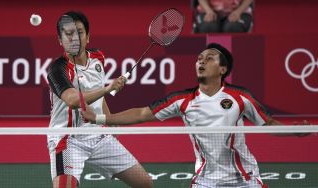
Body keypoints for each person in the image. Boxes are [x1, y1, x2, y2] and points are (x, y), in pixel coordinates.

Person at [81, 43, 310, 188]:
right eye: (199, 57)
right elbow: (142, 114)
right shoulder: (183, 100)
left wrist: (296, 131)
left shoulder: (240, 97)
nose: (201, 60)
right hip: (205, 182)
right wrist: (100, 119)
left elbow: (267, 122)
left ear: (223, 70)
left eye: (209, 58)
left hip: (245, 180)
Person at [47, 11, 153, 188]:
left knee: (145, 183)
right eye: (68, 33)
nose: (75, 38)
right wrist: (108, 88)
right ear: (60, 40)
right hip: (68, 139)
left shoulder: (97, 58)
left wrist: (109, 122)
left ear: (88, 37)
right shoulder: (58, 69)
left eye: (79, 32)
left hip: (98, 135)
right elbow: (73, 100)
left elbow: (99, 98)